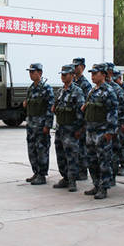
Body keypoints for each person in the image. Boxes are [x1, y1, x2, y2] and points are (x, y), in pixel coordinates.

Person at [82, 63, 118, 199]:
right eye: (91, 73)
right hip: (91, 131)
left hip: (102, 132)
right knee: (92, 160)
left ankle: (104, 187)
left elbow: (113, 112)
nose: (92, 76)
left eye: (95, 73)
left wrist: (110, 131)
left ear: (103, 75)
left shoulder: (109, 91)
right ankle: (96, 184)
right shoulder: (92, 91)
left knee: (103, 161)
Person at [52, 64, 85, 192]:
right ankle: (65, 177)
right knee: (60, 155)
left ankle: (72, 180)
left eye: (65, 74)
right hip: (60, 129)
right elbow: (55, 108)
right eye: (62, 74)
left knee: (71, 156)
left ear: (72, 75)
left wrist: (79, 129)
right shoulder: (60, 91)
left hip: (71, 130)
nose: (63, 77)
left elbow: (81, 112)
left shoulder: (77, 91)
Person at [23, 63, 54, 185]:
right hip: (31, 125)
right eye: (30, 72)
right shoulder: (31, 88)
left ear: (40, 73)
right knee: (32, 150)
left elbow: (50, 108)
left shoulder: (46, 88)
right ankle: (36, 172)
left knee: (42, 150)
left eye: (33, 72)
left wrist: (48, 125)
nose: (31, 74)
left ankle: (42, 175)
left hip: (41, 126)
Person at [103, 62, 124, 184]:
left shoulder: (116, 89)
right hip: (101, 126)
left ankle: (112, 177)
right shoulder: (98, 88)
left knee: (114, 151)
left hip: (114, 125)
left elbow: (121, 108)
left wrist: (121, 124)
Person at [72, 57, 92, 181]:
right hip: (71, 121)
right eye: (74, 66)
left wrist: (84, 124)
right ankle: (75, 170)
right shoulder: (72, 82)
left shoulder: (85, 84)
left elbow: (87, 104)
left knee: (81, 148)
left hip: (81, 121)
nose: (75, 68)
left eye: (77, 66)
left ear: (83, 67)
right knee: (73, 148)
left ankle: (82, 171)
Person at [113, 67, 124, 176]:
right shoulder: (112, 89)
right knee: (114, 144)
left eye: (116, 79)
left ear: (120, 78)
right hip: (114, 121)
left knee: (122, 144)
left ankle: (123, 165)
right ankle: (115, 164)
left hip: (122, 121)